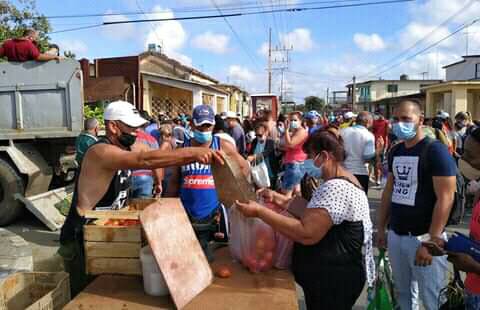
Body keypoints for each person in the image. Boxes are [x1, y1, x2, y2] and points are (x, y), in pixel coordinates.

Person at [58, 101, 223, 297]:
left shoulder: (129, 146)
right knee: (87, 295)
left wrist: (160, 178)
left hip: (106, 233)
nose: (137, 132)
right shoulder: (100, 152)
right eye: (131, 127)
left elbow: (152, 156)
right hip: (82, 237)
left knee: (111, 292)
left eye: (138, 127)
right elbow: (144, 161)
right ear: (113, 126)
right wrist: (193, 153)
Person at [236, 129, 374, 309]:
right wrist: (280, 199)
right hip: (331, 279)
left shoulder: (337, 187)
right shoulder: (339, 180)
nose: (304, 162)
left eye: (308, 157)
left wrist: (260, 213)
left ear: (324, 156)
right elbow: (315, 212)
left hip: (333, 282)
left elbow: (307, 233)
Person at [376, 100, 457, 310]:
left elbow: (446, 198)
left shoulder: (435, 151)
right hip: (397, 234)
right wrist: (381, 228)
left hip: (424, 238)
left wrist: (431, 240)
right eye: (396, 119)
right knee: (403, 295)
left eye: (406, 119)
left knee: (432, 298)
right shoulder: (395, 151)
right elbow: (389, 191)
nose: (399, 124)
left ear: (420, 120)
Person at [167, 105, 248, 261]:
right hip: (187, 212)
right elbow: (174, 182)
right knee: (188, 256)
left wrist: (228, 190)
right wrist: (168, 207)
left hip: (214, 213)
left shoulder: (223, 146)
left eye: (208, 126)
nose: (204, 130)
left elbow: (244, 167)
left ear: (213, 125)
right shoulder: (182, 149)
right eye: (200, 126)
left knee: (211, 257)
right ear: (191, 125)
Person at [341, 111, 380, 194]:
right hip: (360, 173)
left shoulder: (342, 131)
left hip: (342, 172)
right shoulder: (368, 135)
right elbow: (367, 157)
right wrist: (378, 151)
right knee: (359, 205)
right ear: (367, 122)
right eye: (372, 121)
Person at [130, 125, 162, 199]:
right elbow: (156, 162)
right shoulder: (152, 139)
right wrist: (158, 182)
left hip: (129, 175)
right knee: (143, 207)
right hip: (146, 177)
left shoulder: (127, 137)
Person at [281, 111, 308, 198]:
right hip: (294, 163)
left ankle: (285, 211)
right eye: (291, 120)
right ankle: (298, 210)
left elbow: (290, 144)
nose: (292, 122)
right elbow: (287, 146)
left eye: (295, 120)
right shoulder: (296, 132)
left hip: (295, 164)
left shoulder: (301, 132)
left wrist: (286, 130)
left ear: (300, 121)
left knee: (286, 192)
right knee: (297, 191)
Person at [247, 122, 279, 189]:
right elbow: (250, 153)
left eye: (260, 135)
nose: (258, 137)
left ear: (266, 133)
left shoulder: (270, 142)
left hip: (269, 172)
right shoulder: (255, 141)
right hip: (257, 171)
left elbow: (265, 153)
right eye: (257, 135)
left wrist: (254, 156)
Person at [372, 111, 390, 186]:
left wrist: (385, 146)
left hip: (383, 144)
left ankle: (382, 178)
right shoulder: (374, 122)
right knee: (376, 163)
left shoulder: (386, 122)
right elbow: (371, 131)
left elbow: (387, 134)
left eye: (380, 114)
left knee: (382, 163)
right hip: (375, 144)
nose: (379, 116)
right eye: (377, 114)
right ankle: (377, 179)